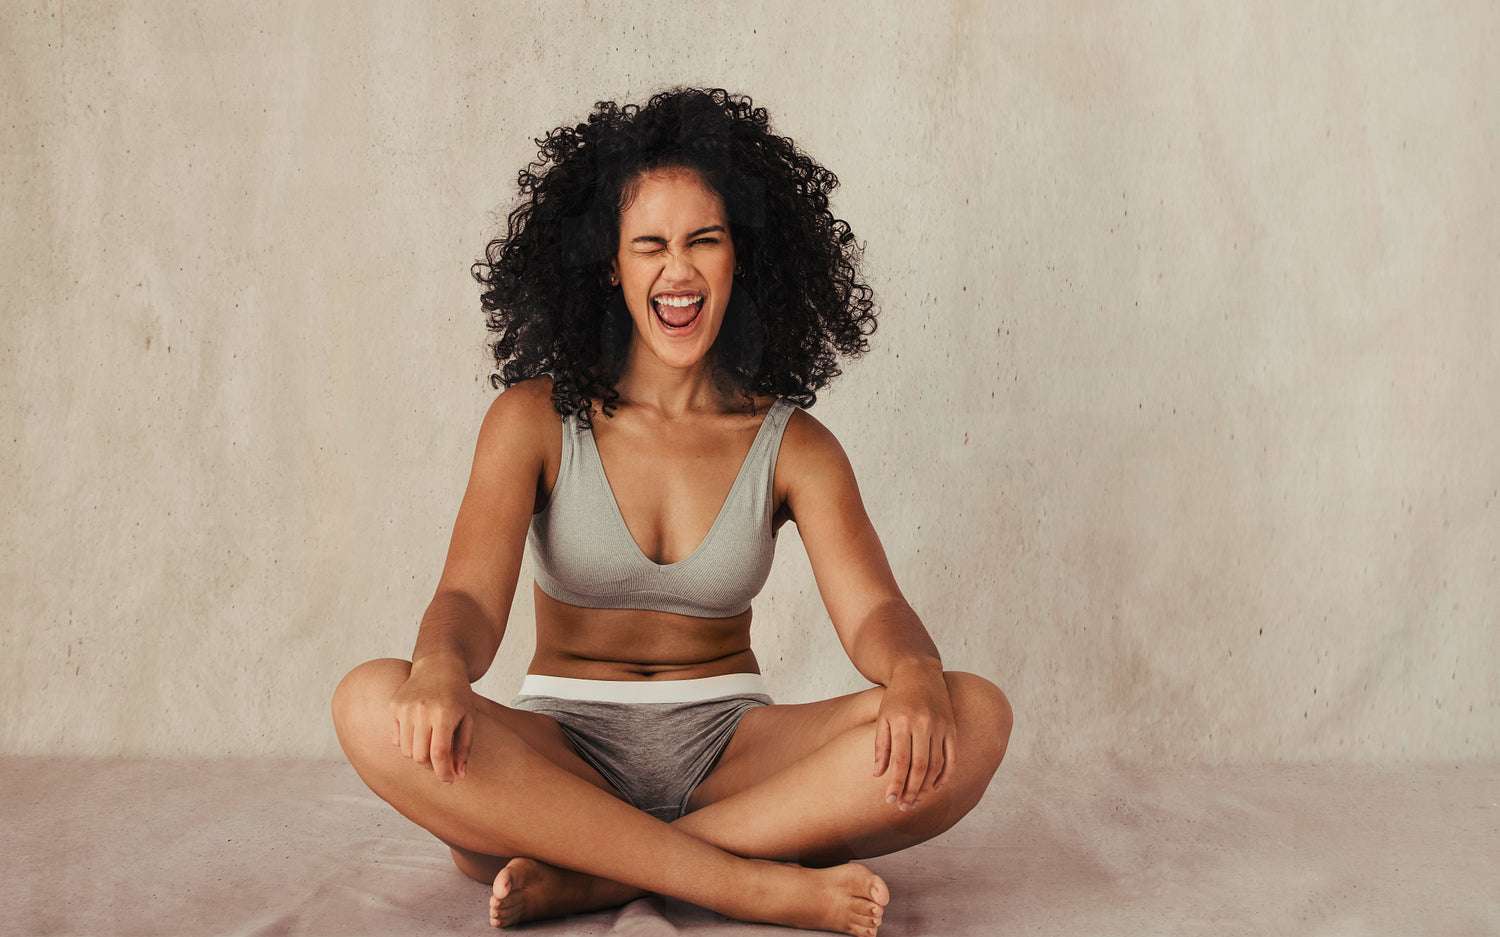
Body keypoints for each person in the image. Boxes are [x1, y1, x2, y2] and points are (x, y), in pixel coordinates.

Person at [332, 88, 1012, 937]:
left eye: (704, 240)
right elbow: (467, 598)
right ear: (610, 265)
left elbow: (875, 610)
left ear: (740, 258)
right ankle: (746, 882)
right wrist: (438, 667)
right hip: (560, 755)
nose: (678, 269)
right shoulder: (532, 420)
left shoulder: (794, 445)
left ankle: (589, 874)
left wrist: (914, 674)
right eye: (649, 244)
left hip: (733, 751)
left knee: (974, 715)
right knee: (369, 700)